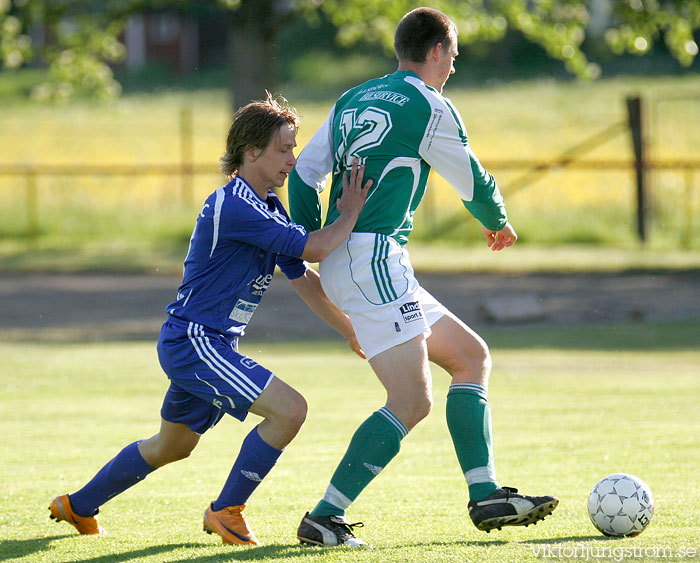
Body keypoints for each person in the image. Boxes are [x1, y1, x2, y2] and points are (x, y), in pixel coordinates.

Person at [49, 93, 372, 546]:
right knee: (290, 410)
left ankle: (76, 505)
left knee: (172, 447)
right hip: (198, 342)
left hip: (207, 344)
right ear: (251, 151)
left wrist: (349, 330)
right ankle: (227, 512)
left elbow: (303, 277)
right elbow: (316, 247)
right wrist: (351, 213)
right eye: (284, 148)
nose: (292, 159)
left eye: (293, 147)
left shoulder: (268, 208)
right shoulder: (234, 205)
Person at [288, 7, 558, 547]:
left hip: (367, 259)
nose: (453, 68)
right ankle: (324, 517)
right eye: (453, 56)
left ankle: (485, 496)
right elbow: (473, 177)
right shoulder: (430, 107)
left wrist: (313, 237)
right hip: (374, 260)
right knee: (412, 401)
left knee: (470, 355)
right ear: (436, 51)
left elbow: (301, 173)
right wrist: (498, 221)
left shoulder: (353, 98)